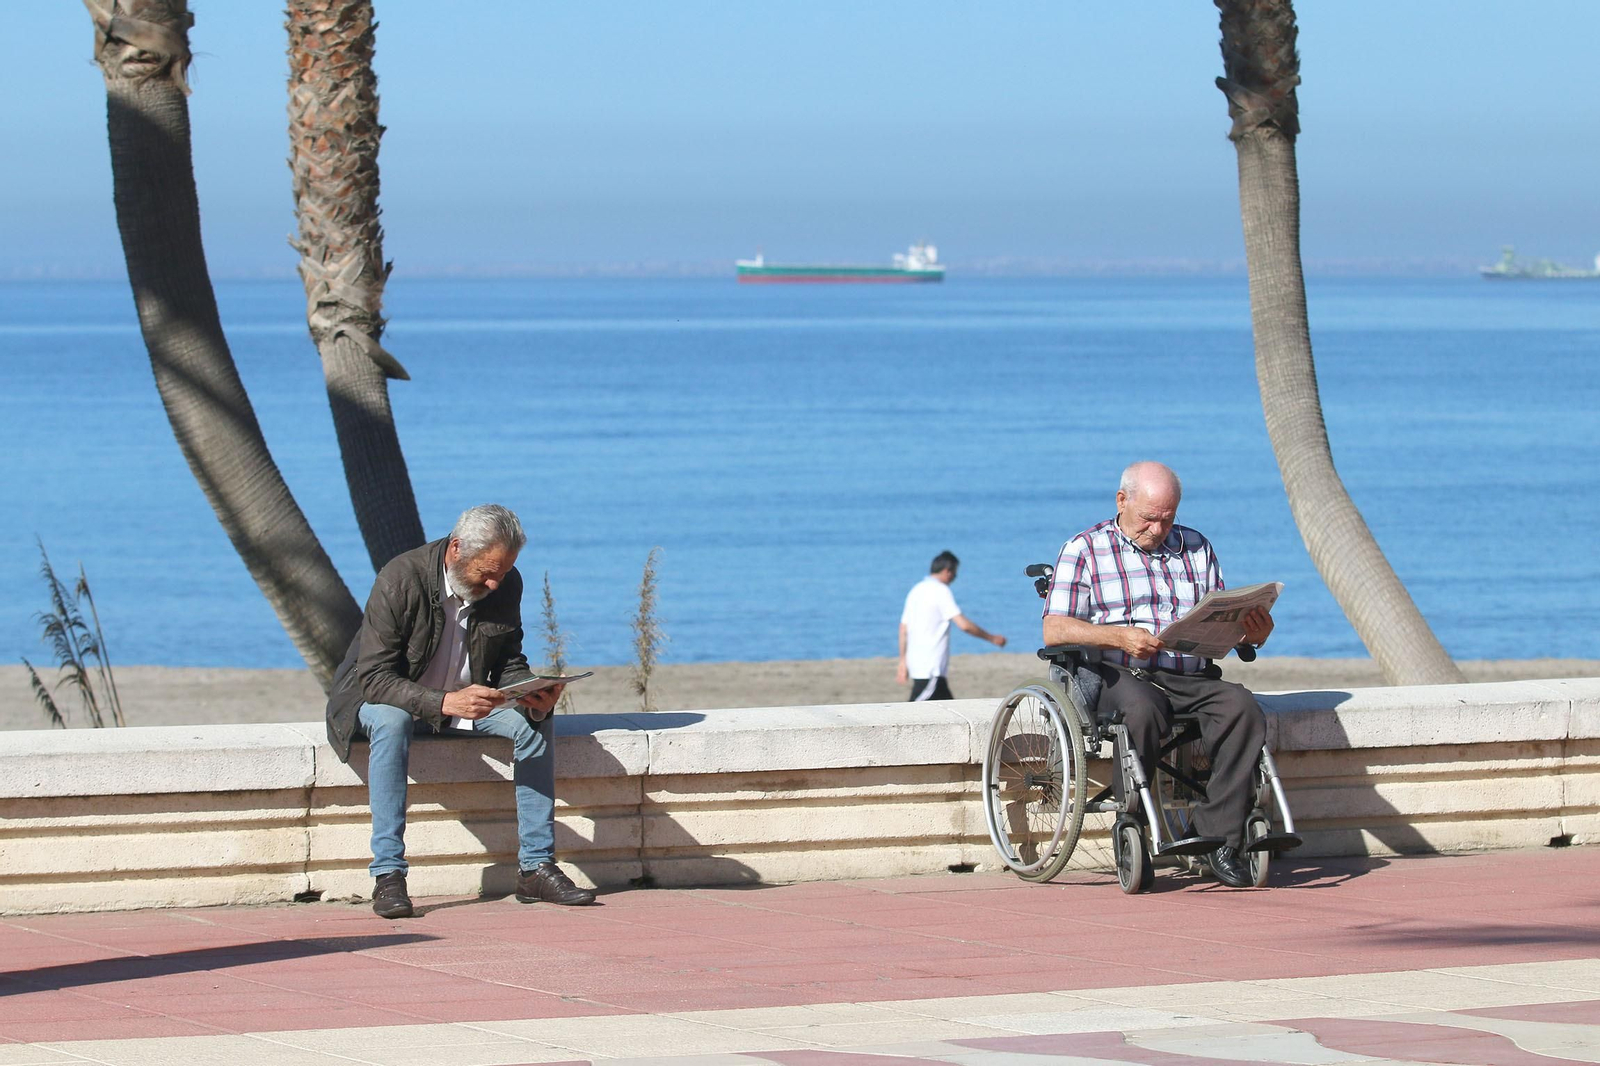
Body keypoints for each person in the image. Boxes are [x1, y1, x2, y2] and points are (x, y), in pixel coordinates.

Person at [325, 504, 595, 918]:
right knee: (393, 720)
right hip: (379, 700)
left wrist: (532, 692)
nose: (494, 582)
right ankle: (388, 875)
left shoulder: (505, 583)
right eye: (487, 572)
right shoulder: (401, 578)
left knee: (533, 721)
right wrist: (443, 702)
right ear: (456, 549)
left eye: (503, 571)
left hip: (462, 702)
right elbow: (374, 678)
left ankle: (536, 868)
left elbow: (508, 661)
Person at [1042, 462, 1274, 888]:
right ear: (1122, 501)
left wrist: (1250, 634)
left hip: (1188, 673)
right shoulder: (1085, 549)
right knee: (1143, 710)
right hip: (1118, 671)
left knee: (1242, 708)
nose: (1158, 529)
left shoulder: (1196, 546)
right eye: (1149, 518)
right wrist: (1119, 636)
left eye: (1167, 519)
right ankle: (1133, 820)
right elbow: (1054, 628)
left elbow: (1219, 623)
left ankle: (1218, 837)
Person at [897, 550, 1007, 700]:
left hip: (918, 664)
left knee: (948, 710)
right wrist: (992, 638)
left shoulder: (916, 590)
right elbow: (964, 625)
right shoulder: (941, 591)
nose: (955, 577)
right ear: (947, 571)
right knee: (915, 710)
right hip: (931, 668)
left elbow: (903, 629)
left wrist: (903, 660)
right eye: (955, 572)